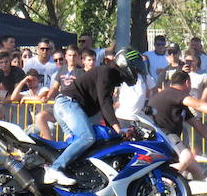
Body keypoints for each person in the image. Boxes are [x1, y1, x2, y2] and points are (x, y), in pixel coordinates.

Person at [44, 47, 146, 186]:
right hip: (69, 104)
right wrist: (118, 129)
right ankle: (55, 168)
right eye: (135, 69)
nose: (136, 73)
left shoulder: (110, 78)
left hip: (68, 106)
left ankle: (72, 175)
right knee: (88, 137)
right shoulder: (107, 72)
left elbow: (106, 108)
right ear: (125, 64)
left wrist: (119, 131)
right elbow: (105, 103)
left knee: (81, 142)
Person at [149, 71, 207, 196]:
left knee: (197, 172)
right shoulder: (175, 94)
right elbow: (198, 104)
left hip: (166, 138)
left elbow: (196, 124)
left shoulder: (177, 101)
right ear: (187, 83)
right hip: (162, 136)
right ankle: (158, 188)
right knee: (186, 156)